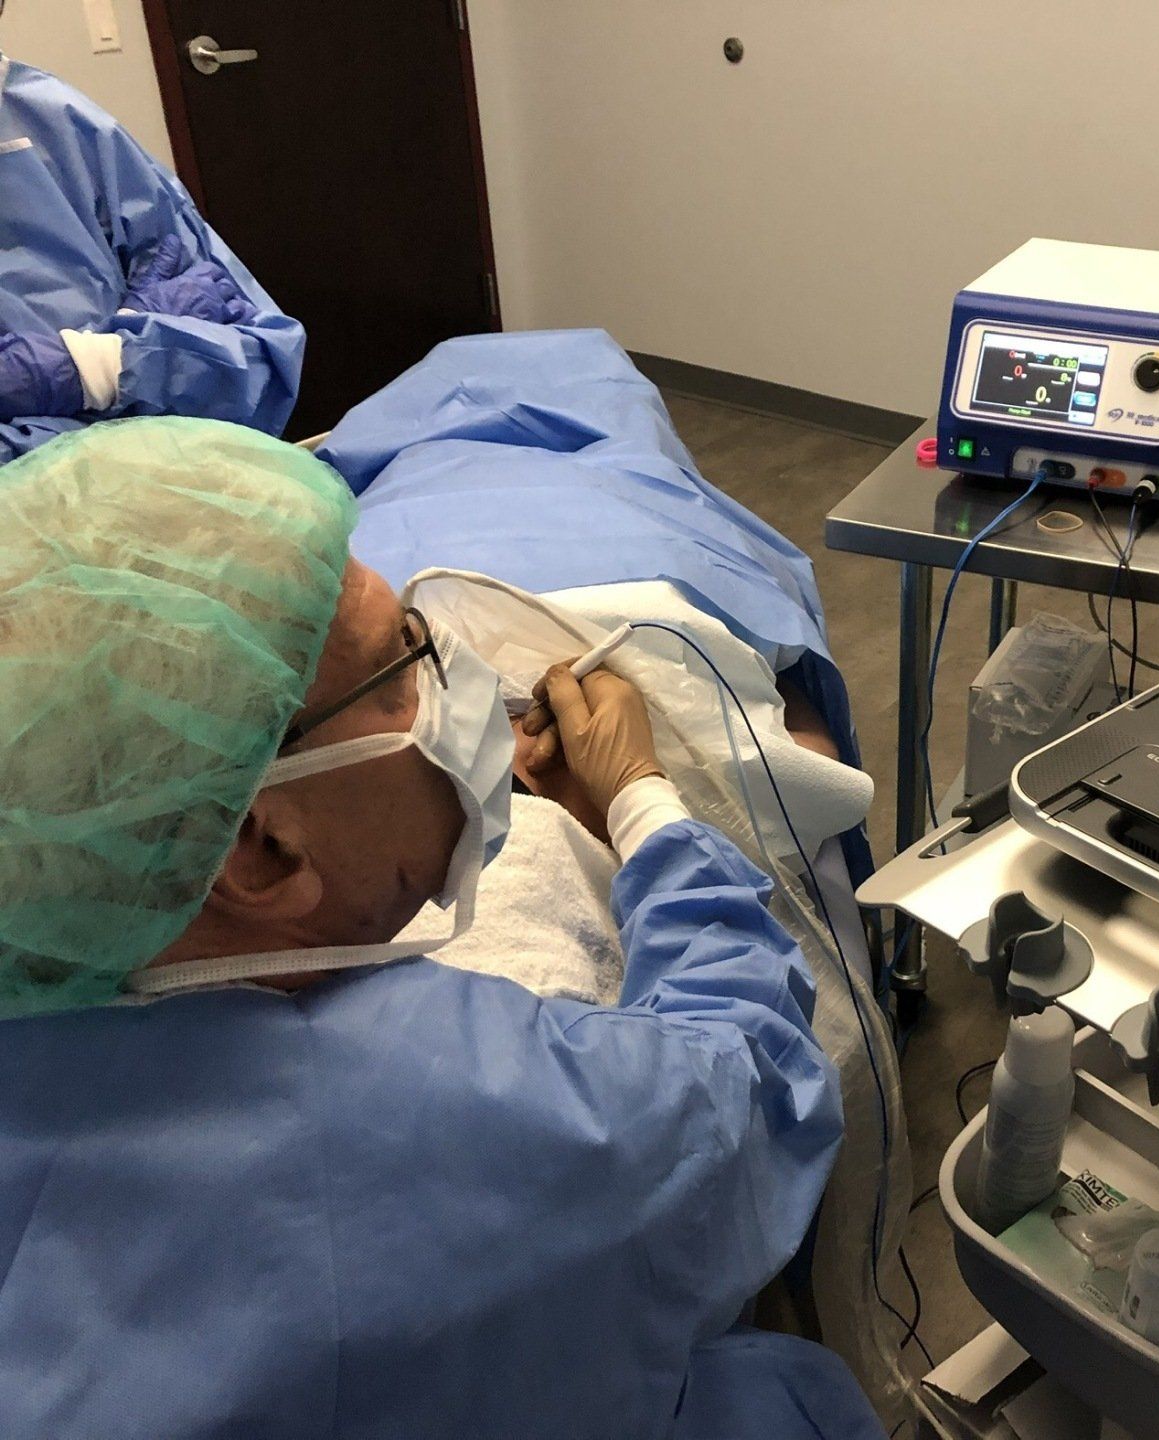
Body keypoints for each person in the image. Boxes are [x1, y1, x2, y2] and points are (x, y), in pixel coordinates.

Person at [0, 417, 885, 1439]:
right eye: (406, 660)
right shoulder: (438, 1118)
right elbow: (743, 1100)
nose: (458, 671)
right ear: (262, 851)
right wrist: (643, 805)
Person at [0, 37, 304, 461]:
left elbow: (257, 360)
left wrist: (100, 364)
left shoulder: (57, 125)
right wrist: (125, 364)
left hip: (180, 484)